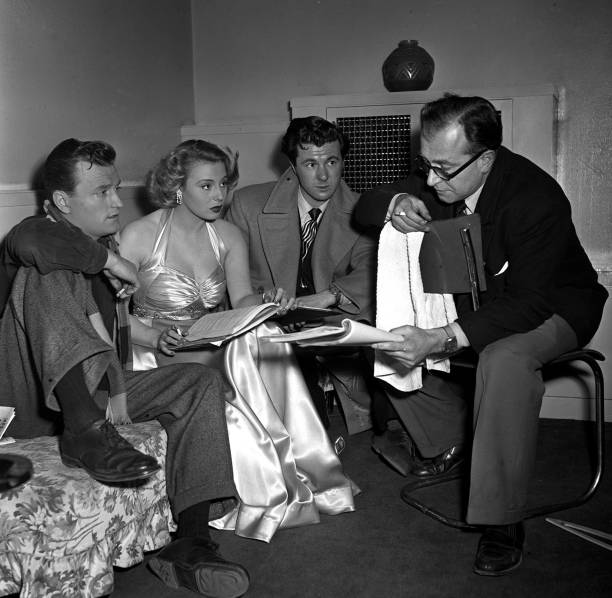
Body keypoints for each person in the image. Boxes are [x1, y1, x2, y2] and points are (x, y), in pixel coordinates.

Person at [354, 94, 608, 576]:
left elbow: (530, 303)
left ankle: (501, 517)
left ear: (486, 159)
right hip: (480, 306)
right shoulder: (444, 171)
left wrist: (443, 337)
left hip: (555, 307)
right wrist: (395, 202)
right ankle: (454, 441)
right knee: (384, 339)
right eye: (425, 165)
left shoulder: (536, 198)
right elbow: (363, 206)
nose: (432, 180)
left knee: (504, 360)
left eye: (443, 169)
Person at [0, 138, 250, 598]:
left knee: (199, 382)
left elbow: (115, 337)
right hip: (38, 401)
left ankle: (191, 544)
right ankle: (83, 429)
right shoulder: (36, 237)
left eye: (115, 189)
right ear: (62, 202)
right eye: (102, 192)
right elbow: (28, 241)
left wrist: (153, 333)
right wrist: (111, 261)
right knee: (46, 273)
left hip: (103, 386)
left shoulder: (104, 242)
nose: (117, 201)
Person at [119, 139, 356, 542]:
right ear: (177, 188)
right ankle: (244, 490)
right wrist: (157, 337)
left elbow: (242, 298)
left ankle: (293, 470)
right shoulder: (139, 236)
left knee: (265, 333)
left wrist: (267, 303)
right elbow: (117, 319)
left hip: (206, 339)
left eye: (224, 184)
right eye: (206, 186)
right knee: (234, 364)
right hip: (150, 346)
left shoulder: (227, 235)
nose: (220, 195)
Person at [226, 116, 385, 434]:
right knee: (289, 359)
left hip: (333, 318)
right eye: (311, 164)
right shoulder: (248, 204)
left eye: (332, 162)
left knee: (384, 344)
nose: (324, 175)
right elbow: (232, 276)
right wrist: (271, 307)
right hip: (268, 321)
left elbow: (373, 269)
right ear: (292, 166)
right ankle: (315, 445)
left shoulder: (363, 210)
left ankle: (387, 432)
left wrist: (328, 297)